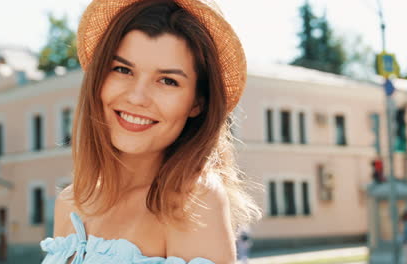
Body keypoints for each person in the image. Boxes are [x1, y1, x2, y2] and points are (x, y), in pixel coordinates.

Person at [39, 0, 261, 263]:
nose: (137, 97)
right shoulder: (69, 203)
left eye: (168, 80)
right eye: (122, 69)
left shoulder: (191, 201)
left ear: (197, 103)